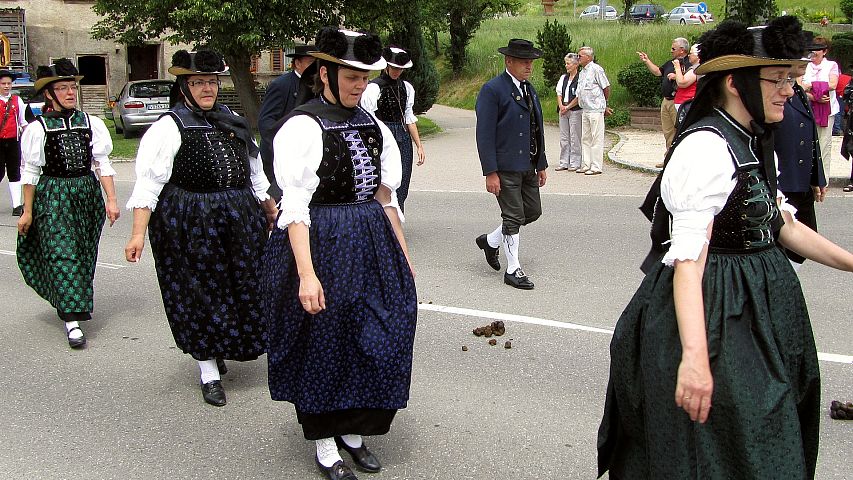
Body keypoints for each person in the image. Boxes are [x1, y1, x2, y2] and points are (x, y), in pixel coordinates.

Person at [598, 17, 853, 479]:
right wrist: (695, 358)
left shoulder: (750, 139)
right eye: (778, 80)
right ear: (736, 83)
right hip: (717, 315)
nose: (789, 91)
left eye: (791, 79)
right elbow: (689, 266)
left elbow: (783, 228)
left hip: (757, 313)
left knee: (769, 433)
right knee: (728, 447)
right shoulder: (705, 150)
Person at [262, 28, 417, 480]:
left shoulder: (372, 125)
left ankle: (354, 431)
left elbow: (385, 197)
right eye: (351, 75)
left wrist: (402, 259)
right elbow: (294, 205)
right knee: (324, 339)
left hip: (369, 239)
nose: (359, 85)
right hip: (319, 239)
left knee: (376, 332)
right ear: (325, 73)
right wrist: (306, 275)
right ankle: (326, 443)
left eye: (364, 77)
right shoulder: (302, 126)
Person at [124, 50, 277, 407]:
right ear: (184, 86)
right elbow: (149, 184)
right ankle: (208, 369)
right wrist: (136, 234)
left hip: (239, 218)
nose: (207, 88)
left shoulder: (233, 119)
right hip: (191, 221)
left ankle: (225, 344)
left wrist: (269, 209)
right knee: (200, 292)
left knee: (243, 287)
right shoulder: (168, 126)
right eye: (199, 83)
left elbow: (255, 173)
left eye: (211, 82)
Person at [16, 58, 120, 349]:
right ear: (49, 94)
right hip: (54, 196)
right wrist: (27, 211)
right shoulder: (38, 129)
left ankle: (75, 302)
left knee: (84, 253)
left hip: (86, 194)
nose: (70, 93)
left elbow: (102, 163)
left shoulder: (91, 123)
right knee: (63, 254)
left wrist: (111, 200)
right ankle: (72, 320)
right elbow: (31, 172)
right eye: (62, 88)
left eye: (72, 87)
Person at [474, 38, 547, 290]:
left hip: (527, 164)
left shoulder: (529, 88)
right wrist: (490, 172)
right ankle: (513, 269)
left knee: (532, 212)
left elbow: (536, 128)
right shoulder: (492, 90)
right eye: (524, 61)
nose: (529, 66)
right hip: (505, 166)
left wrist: (541, 163)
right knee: (514, 215)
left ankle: (491, 241)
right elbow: (484, 134)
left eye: (531, 62)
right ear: (509, 61)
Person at [775, 41, 827, 272]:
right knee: (786, 245)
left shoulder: (797, 91)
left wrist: (816, 177)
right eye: (800, 56)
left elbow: (809, 134)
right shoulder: (774, 93)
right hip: (782, 182)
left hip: (800, 181)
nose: (806, 61)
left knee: (802, 246)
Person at [360, 46, 426, 212]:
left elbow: (409, 117)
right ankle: (382, 217)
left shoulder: (407, 87)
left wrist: (418, 145)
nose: (397, 72)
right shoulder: (374, 87)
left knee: (403, 178)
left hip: (402, 136)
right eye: (395, 68)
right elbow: (368, 117)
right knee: (383, 178)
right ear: (387, 66)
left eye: (400, 69)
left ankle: (398, 215)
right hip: (382, 134)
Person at [258, 43, 315, 200]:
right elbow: (265, 121)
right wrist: (283, 146)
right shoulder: (281, 85)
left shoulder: (318, 85)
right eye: (311, 63)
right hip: (278, 156)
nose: (314, 68)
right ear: (297, 63)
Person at [637, 37, 690, 153]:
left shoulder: (689, 63)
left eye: (673, 48)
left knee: (680, 129)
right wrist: (647, 61)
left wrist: (676, 76)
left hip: (678, 101)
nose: (671, 51)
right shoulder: (670, 62)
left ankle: (679, 156)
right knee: (668, 131)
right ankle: (668, 156)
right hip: (666, 101)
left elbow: (688, 79)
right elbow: (658, 72)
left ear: (682, 50)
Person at [801, 36, 839, 178]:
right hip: (807, 109)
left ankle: (823, 179)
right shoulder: (805, 65)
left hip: (827, 111)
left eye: (818, 50)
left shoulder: (831, 65)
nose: (814, 53)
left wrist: (811, 86)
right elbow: (799, 87)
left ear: (825, 52)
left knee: (823, 145)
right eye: (812, 50)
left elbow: (833, 84)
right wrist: (814, 96)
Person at [575, 46, 610, 176]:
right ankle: (586, 163)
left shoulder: (596, 69)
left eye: (581, 56)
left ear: (589, 57)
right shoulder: (583, 72)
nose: (578, 58)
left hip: (595, 108)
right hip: (585, 108)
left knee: (596, 138)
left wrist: (604, 104)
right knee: (586, 138)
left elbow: (606, 87)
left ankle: (596, 166)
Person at [0, 69, 27, 216]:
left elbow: (23, 122)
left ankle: (17, 205)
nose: (6, 86)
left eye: (8, 83)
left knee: (14, 172)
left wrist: (27, 138)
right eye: (3, 83)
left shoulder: (18, 101)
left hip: (13, 141)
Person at [554, 53, 582, 172]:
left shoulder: (580, 78)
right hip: (563, 110)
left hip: (575, 110)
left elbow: (579, 96)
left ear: (576, 65)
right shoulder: (563, 78)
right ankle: (564, 161)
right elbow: (559, 93)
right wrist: (561, 106)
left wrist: (569, 106)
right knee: (564, 137)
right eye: (566, 63)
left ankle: (575, 162)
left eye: (568, 63)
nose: (566, 66)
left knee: (575, 137)